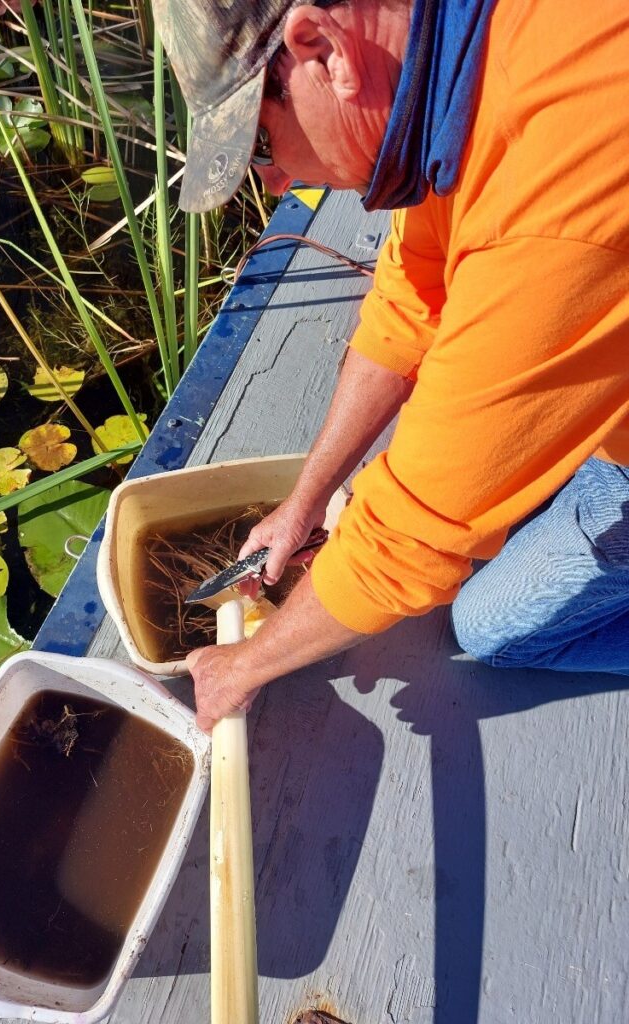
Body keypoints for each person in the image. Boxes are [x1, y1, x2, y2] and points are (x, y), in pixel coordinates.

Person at [152, 0, 629, 732]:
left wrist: (244, 664)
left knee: (494, 627)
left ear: (323, 49)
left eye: (261, 145)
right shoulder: (464, 55)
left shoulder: (552, 202)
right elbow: (413, 295)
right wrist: (306, 499)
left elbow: (414, 536)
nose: (276, 183)